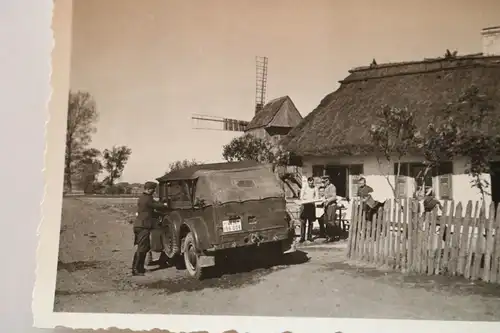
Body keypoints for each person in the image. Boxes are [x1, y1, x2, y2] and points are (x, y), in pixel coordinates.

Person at [132, 181, 168, 276]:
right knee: (142, 248)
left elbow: (149, 212)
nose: (154, 191)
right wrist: (165, 205)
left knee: (144, 247)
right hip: (143, 226)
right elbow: (157, 206)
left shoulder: (143, 198)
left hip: (140, 225)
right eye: (153, 189)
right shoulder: (147, 199)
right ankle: (135, 270)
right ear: (148, 189)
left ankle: (139, 268)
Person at [299, 177, 319, 243]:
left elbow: (317, 197)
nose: (311, 184)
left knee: (311, 222)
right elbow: (301, 196)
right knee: (303, 222)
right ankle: (302, 237)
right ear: (308, 182)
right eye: (310, 182)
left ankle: (309, 237)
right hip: (305, 205)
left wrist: (314, 201)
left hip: (311, 206)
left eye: (312, 182)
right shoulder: (304, 187)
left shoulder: (315, 188)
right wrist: (304, 199)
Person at [323, 176, 340, 242]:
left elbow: (334, 197)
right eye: (324, 181)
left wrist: (327, 200)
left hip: (331, 205)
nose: (325, 182)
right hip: (327, 206)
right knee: (327, 221)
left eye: (326, 180)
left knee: (331, 221)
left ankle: (333, 236)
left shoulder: (332, 187)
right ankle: (328, 236)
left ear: (329, 180)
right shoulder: (326, 188)